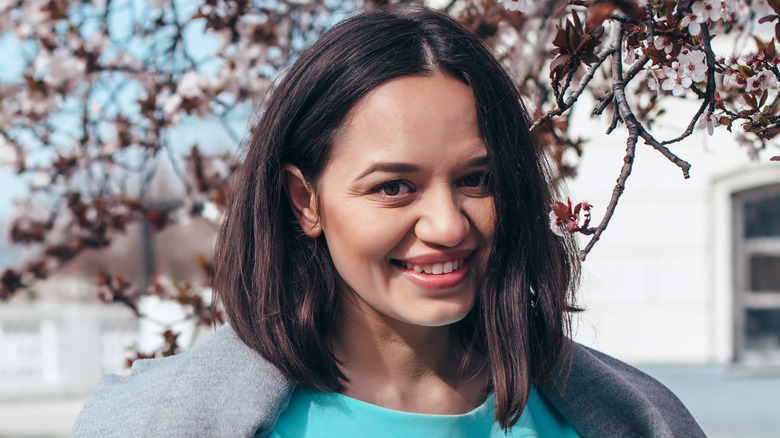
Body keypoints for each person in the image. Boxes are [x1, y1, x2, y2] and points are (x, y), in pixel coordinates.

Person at [72, 6, 705, 438]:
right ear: (304, 201)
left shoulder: (632, 418)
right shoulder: (156, 421)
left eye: (476, 180)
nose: (447, 226)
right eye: (394, 187)